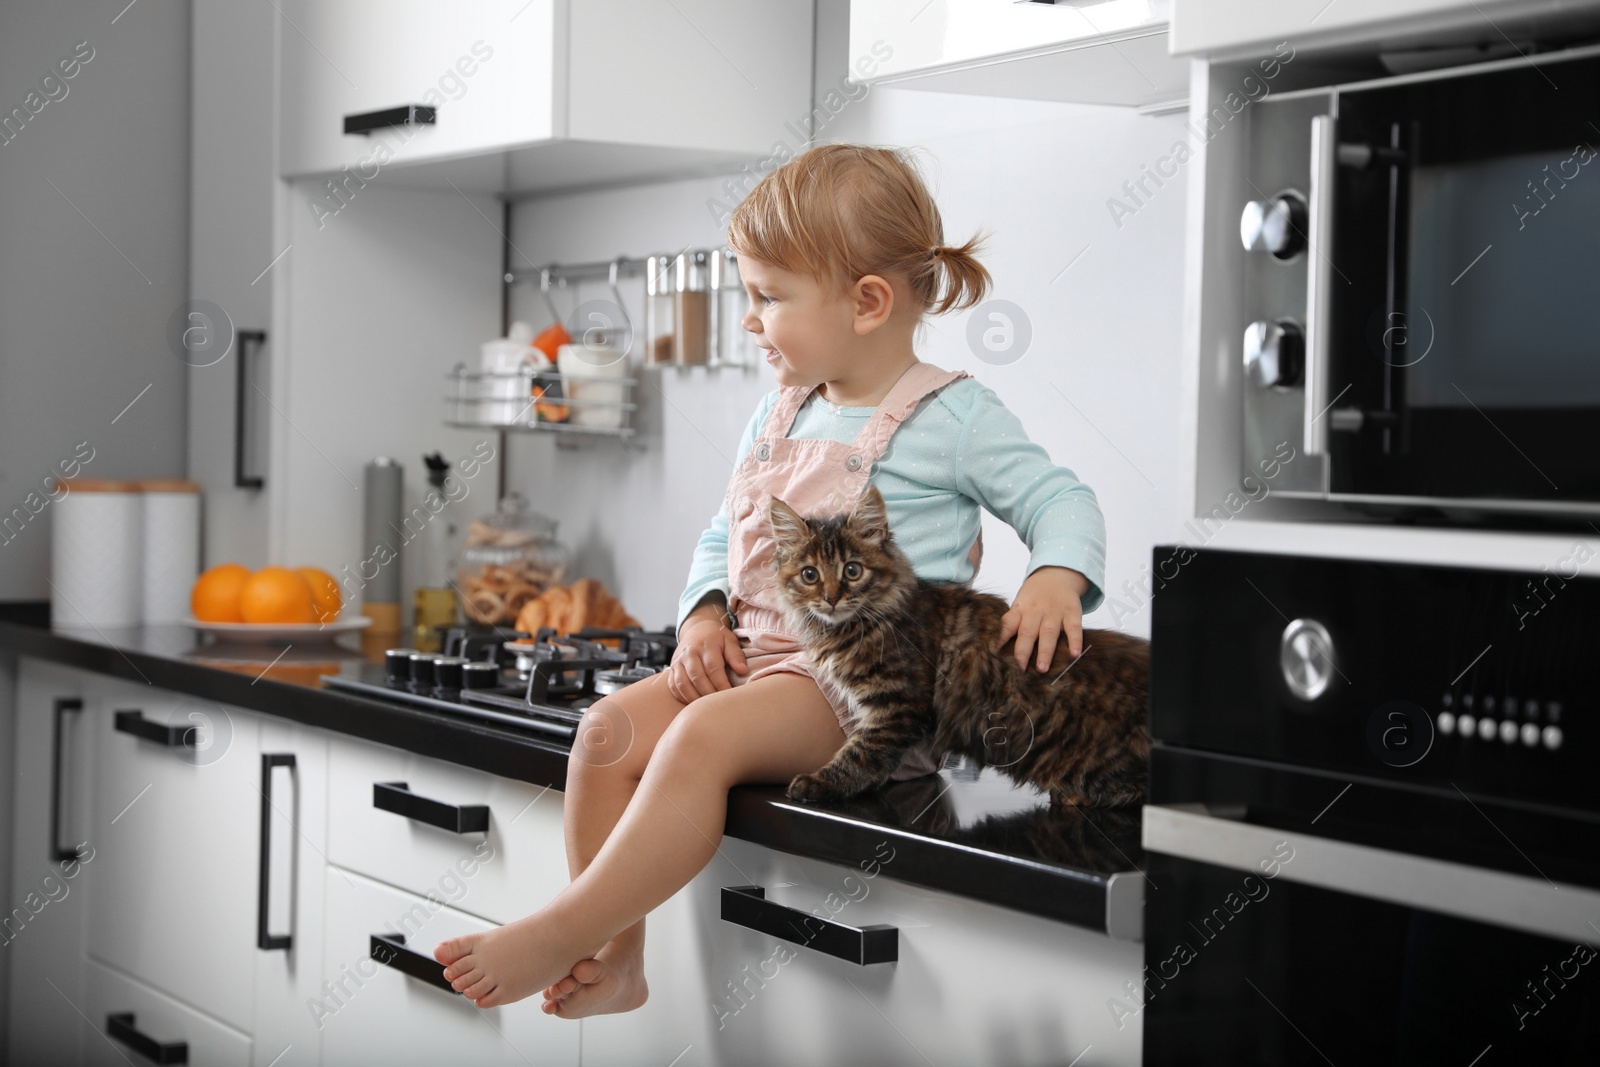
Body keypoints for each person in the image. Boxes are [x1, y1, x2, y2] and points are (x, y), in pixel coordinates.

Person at [433, 143, 1107, 1014]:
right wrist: (703, 617)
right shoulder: (781, 407)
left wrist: (1054, 576)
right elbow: (727, 533)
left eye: (768, 296)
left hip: (866, 691)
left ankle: (556, 929)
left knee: (701, 740)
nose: (750, 320)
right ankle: (618, 957)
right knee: (605, 731)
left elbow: (1063, 499)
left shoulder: (955, 415)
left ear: (867, 302)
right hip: (760, 662)